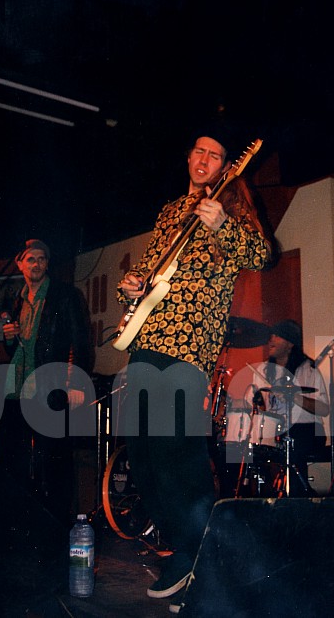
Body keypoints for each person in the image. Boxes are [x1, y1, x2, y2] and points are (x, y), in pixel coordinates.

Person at [116, 126, 272, 609]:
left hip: (189, 346)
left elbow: (262, 255)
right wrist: (131, 285)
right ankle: (186, 546)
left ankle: (199, 553)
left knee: (177, 453)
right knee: (142, 453)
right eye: (200, 151)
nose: (205, 159)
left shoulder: (231, 211)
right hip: (147, 341)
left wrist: (222, 224)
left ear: (227, 167)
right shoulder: (170, 212)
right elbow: (149, 269)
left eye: (216, 155)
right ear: (189, 158)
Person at [0, 238, 93, 522]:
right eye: (31, 259)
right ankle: (32, 521)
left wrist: (76, 382)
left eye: (41, 259)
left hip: (51, 386)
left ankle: (58, 523)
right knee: (25, 460)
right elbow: (18, 349)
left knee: (56, 459)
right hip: (20, 388)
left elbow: (80, 340)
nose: (37, 264)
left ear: (47, 264)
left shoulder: (64, 295)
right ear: (20, 264)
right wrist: (9, 339)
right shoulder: (18, 300)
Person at [243, 319, 329, 496]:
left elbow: (323, 409)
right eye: (271, 335)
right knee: (250, 445)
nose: (271, 339)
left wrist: (294, 397)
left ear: (290, 343)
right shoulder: (263, 371)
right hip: (275, 431)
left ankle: (296, 495)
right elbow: (254, 405)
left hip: (307, 429)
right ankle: (264, 494)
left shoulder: (308, 369)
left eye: (278, 336)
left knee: (293, 441)